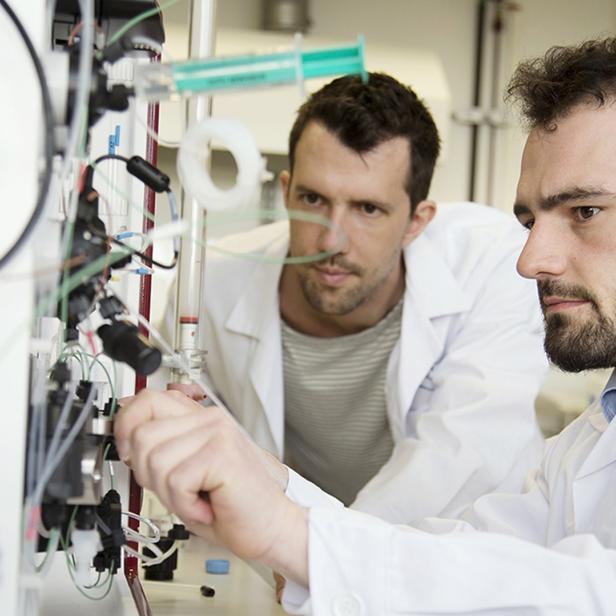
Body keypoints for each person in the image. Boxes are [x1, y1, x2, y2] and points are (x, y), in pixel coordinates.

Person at [116, 37, 616, 614]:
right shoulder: (588, 441)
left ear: (416, 221)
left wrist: (296, 539)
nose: (529, 261)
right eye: (529, 219)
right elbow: (486, 553)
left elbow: (586, 588)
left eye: (585, 211)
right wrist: (270, 484)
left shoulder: (480, 268)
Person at [195, 72, 546, 520]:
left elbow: (459, 458)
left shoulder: (493, 264)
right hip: (294, 563)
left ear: (417, 222)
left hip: (469, 556)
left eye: (368, 209)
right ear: (285, 193)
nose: (331, 242)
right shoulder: (210, 286)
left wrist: (323, 553)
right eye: (314, 199)